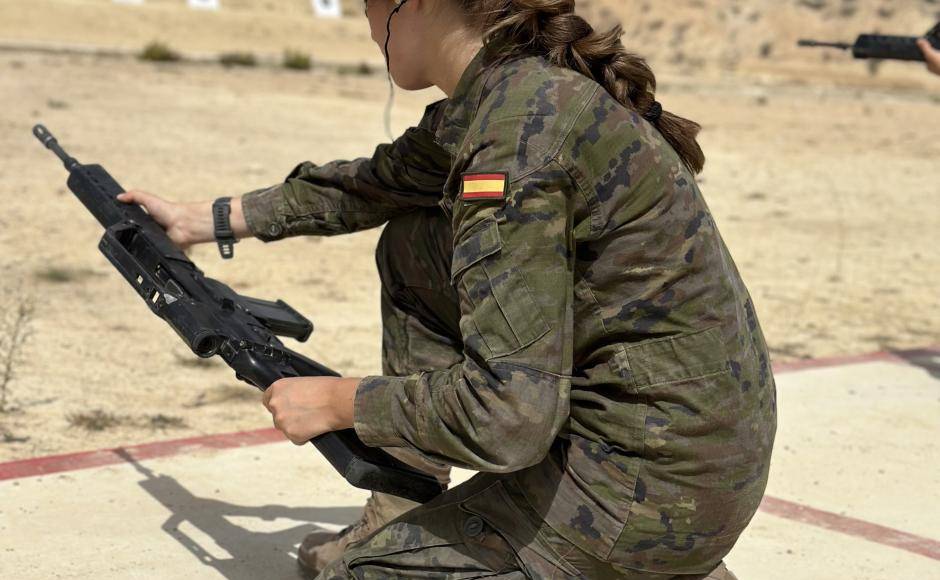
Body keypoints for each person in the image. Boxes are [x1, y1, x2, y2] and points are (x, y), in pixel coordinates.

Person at [118, 0, 776, 578]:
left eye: (370, 3)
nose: (366, 22)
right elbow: (374, 184)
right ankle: (410, 503)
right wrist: (204, 219)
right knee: (415, 241)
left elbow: (510, 418)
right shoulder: (514, 91)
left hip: (647, 489)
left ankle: (640, 564)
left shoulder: (515, 140)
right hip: (684, 458)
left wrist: (342, 402)